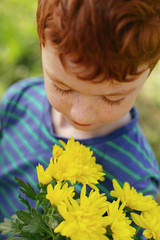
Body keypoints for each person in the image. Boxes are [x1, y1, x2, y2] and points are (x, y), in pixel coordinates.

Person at [0, 0, 160, 225]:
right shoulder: (18, 102)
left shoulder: (136, 179)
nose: (81, 115)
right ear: (42, 45)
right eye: (62, 87)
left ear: (149, 71)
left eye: (111, 98)